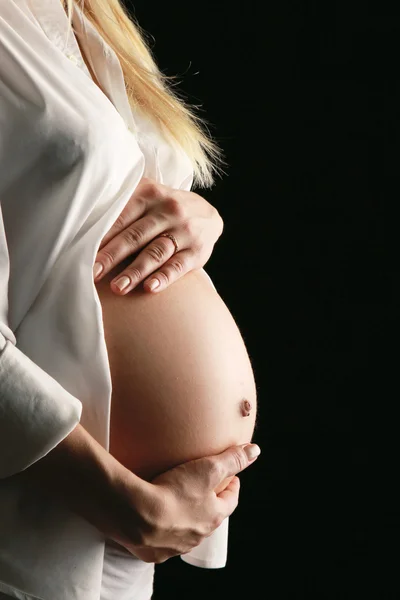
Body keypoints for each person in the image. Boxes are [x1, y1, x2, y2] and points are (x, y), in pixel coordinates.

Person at [0, 1, 261, 600]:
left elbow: (101, 211)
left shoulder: (87, 13)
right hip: (49, 508)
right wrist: (116, 497)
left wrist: (200, 220)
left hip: (122, 538)